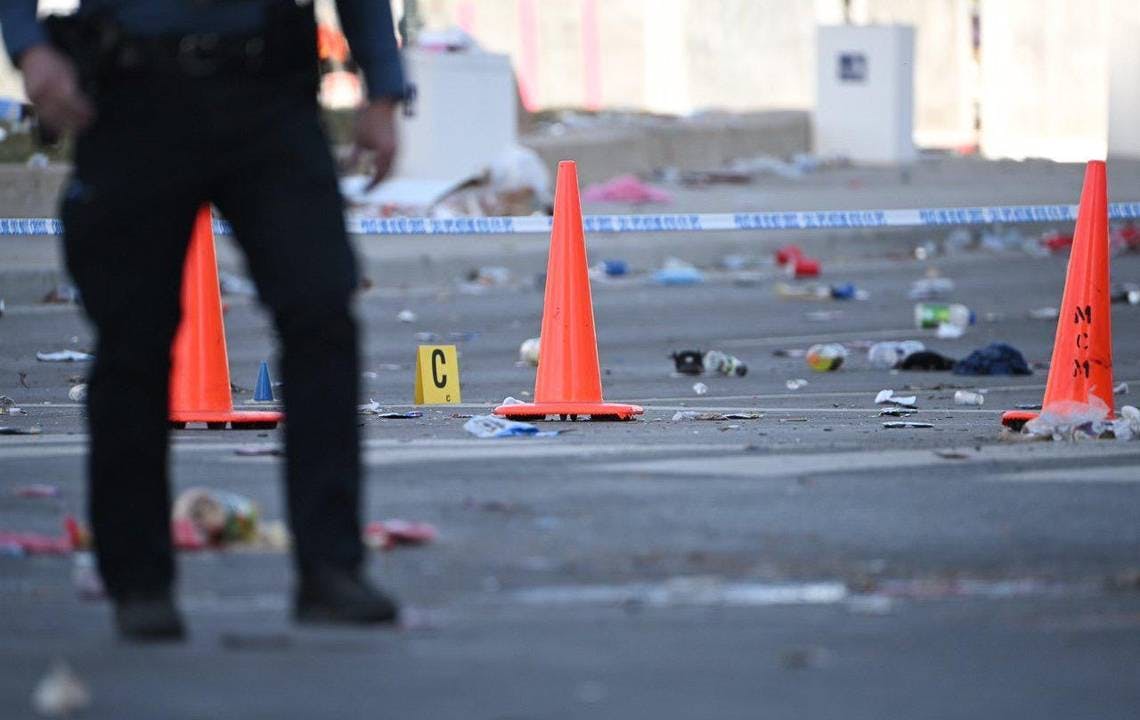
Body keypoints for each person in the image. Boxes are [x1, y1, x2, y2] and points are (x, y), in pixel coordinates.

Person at [0, 0, 407, 641]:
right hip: (135, 91)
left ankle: (331, 569)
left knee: (321, 311)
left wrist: (383, 85)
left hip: (267, 90)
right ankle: (137, 582)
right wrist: (29, 47)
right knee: (133, 341)